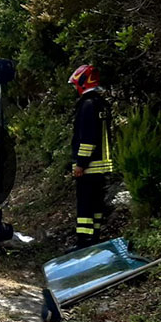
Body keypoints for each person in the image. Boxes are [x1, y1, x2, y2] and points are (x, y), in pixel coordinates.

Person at [69, 65, 114, 248]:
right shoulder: (101, 103)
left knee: (86, 205)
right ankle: (94, 238)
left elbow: (87, 138)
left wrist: (81, 163)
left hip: (90, 166)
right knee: (96, 205)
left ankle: (84, 242)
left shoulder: (87, 105)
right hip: (102, 165)